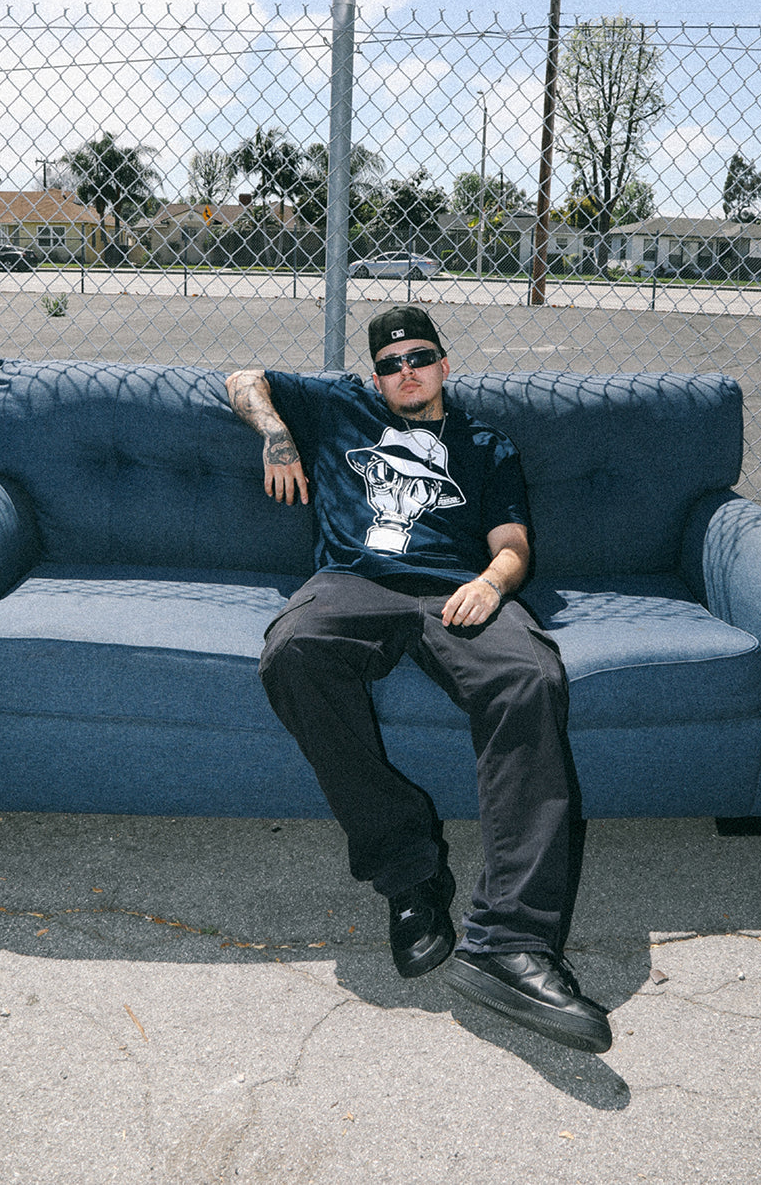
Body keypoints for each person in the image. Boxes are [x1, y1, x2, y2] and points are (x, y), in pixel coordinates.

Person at [225, 307, 611, 1054]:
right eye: (391, 364)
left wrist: (492, 585)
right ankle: (410, 874)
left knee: (529, 677)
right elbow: (242, 380)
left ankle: (510, 943)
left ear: (444, 364)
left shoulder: (486, 444)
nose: (407, 371)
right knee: (292, 653)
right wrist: (276, 435)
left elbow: (511, 544)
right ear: (375, 378)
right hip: (351, 584)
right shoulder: (336, 406)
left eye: (420, 357)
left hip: (455, 590)